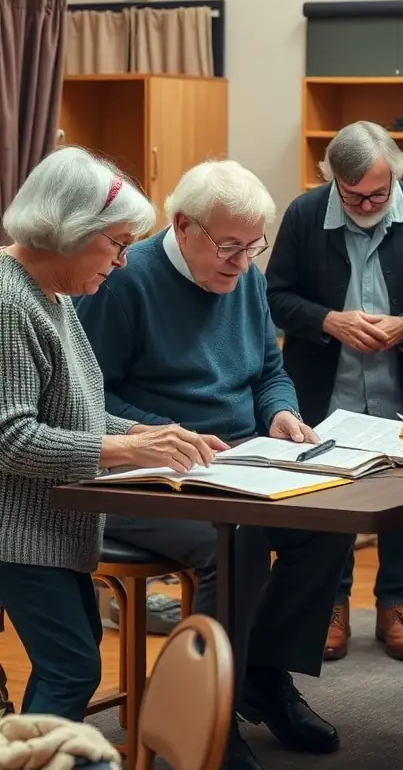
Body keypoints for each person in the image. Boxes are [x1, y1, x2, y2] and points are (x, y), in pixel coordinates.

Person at [75, 160, 353, 770]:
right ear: (182, 226)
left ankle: (259, 674)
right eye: (229, 246)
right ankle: (207, 719)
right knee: (237, 542)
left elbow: (267, 373)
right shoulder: (122, 281)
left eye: (254, 246)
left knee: (329, 521)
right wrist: (164, 433)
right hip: (141, 475)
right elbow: (87, 398)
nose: (243, 261)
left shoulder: (243, 275)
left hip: (237, 462)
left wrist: (279, 413)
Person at [0, 148, 220, 722]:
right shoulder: (7, 300)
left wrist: (153, 433)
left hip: (51, 527)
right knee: (71, 667)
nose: (125, 261)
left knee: (72, 664)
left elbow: (75, 413)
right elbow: (12, 438)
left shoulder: (55, 292)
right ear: (71, 232)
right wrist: (124, 447)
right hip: (15, 533)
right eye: (118, 243)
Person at [266, 121, 403, 662]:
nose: (369, 203)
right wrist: (328, 320)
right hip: (328, 392)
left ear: (395, 173)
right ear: (332, 182)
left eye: (379, 191)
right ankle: (334, 604)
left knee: (401, 500)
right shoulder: (305, 214)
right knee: (332, 504)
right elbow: (276, 297)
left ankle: (393, 605)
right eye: (354, 196)